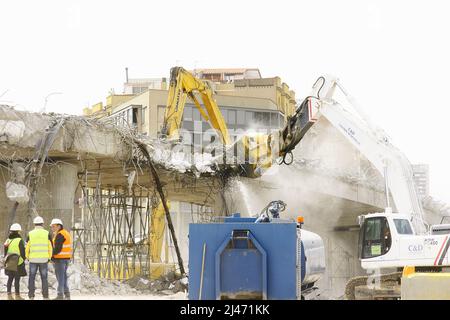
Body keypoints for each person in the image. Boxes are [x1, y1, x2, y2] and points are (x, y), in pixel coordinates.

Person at [26, 216, 53, 300]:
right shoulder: (47, 233)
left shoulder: (30, 234)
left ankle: (31, 296)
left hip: (33, 259)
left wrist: (27, 257)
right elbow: (50, 247)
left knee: (32, 277)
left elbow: (27, 247)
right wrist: (49, 257)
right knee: (44, 278)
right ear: (42, 224)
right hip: (44, 259)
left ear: (34, 224)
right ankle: (45, 296)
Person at [3, 223, 27, 300]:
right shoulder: (20, 240)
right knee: (17, 279)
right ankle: (17, 295)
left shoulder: (7, 240)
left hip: (10, 262)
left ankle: (9, 295)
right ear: (18, 231)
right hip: (18, 262)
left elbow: (5, 252)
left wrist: (6, 261)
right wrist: (23, 259)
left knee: (10, 278)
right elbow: (23, 252)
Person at [50, 218, 72, 300]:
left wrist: (51, 256)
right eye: (52, 226)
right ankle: (67, 294)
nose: (52, 228)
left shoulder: (60, 234)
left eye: (54, 226)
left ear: (59, 226)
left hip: (60, 259)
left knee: (60, 277)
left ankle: (60, 295)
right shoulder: (65, 233)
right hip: (66, 259)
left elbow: (57, 249)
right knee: (63, 277)